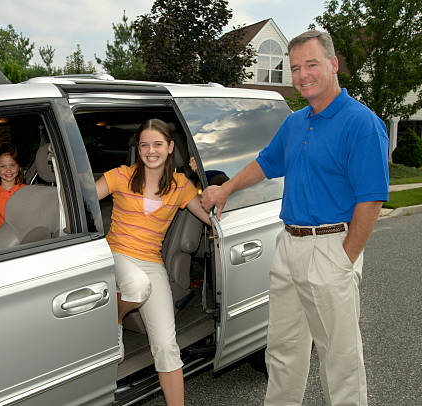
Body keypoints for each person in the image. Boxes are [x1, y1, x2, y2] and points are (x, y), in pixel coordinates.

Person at [202, 30, 388, 406]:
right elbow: (266, 164)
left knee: (340, 358)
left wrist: (343, 258)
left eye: (312, 65)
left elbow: (371, 200)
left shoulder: (361, 123)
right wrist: (226, 189)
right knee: (284, 351)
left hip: (331, 246)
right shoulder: (295, 122)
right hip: (288, 246)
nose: (303, 75)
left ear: (333, 65)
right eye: (296, 67)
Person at [95, 118, 211, 406]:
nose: (151, 150)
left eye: (157, 144)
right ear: (138, 148)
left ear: (170, 147)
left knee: (167, 347)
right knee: (136, 286)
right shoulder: (121, 175)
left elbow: (211, 216)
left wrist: (206, 175)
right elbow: (81, 199)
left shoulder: (182, 186)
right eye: (144, 144)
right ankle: (117, 319)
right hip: (117, 254)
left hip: (151, 261)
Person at [0, 143, 26, 239]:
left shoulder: (25, 190)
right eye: (3, 166)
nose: (8, 170)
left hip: (19, 241)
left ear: (18, 167)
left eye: (12, 165)